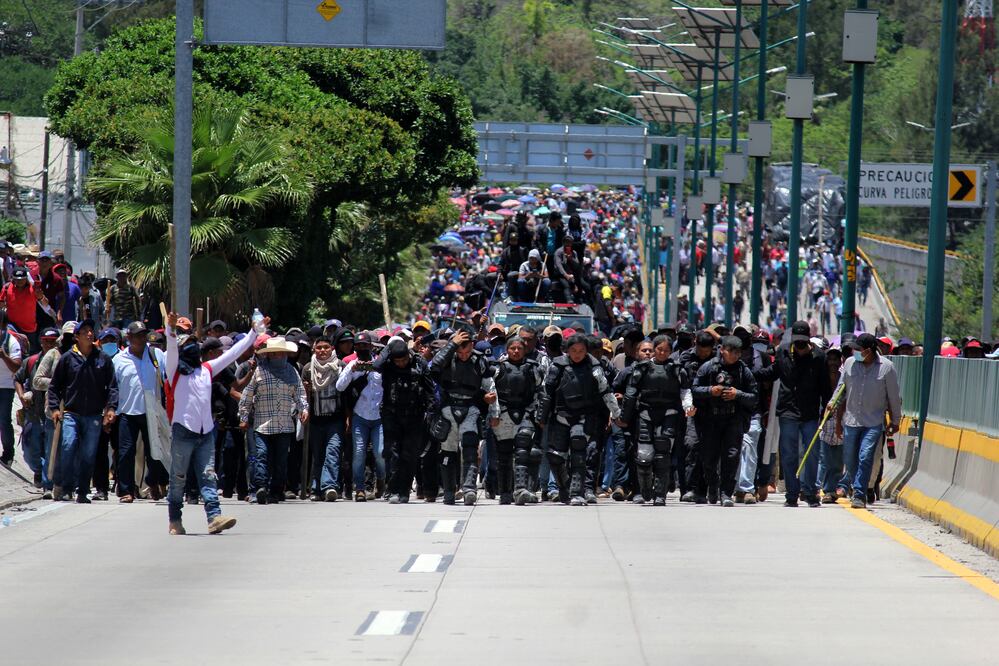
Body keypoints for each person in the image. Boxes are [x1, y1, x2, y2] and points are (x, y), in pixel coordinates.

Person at [165, 310, 259, 535]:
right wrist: (170, 330)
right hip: (183, 430)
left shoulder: (206, 370)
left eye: (193, 344)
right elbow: (170, 350)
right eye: (186, 343)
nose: (191, 347)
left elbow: (233, 353)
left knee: (208, 476)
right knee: (178, 479)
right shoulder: (174, 372)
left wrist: (254, 333)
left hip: (206, 432)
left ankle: (214, 517)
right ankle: (175, 520)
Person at [537, 333, 621, 506]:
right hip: (561, 416)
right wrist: (541, 416)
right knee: (556, 457)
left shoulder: (594, 366)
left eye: (581, 351)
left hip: (583, 417)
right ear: (567, 350)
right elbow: (547, 391)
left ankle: (577, 492)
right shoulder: (558, 365)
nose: (577, 354)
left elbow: (605, 390)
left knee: (579, 454)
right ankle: (563, 487)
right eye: (573, 350)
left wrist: (616, 413)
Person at [757, 321, 832, 508]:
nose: (799, 346)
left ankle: (809, 492)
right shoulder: (783, 352)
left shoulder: (819, 357)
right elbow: (772, 373)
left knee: (810, 453)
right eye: (796, 342)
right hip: (788, 411)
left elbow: (825, 386)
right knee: (789, 454)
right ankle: (791, 493)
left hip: (810, 412)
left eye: (802, 342)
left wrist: (827, 408)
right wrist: (749, 373)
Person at [47, 319, 118, 503]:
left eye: (90, 330)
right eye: (84, 331)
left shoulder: (103, 359)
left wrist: (111, 408)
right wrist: (55, 408)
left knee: (88, 453)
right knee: (68, 446)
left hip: (94, 414)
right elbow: (54, 386)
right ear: (76, 336)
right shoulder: (67, 359)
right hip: (71, 412)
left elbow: (112, 387)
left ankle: (83, 491)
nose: (89, 334)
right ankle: (67, 488)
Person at [620, 335, 693, 506]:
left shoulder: (677, 369)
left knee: (663, 456)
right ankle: (644, 489)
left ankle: (660, 494)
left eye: (666, 350)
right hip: (646, 413)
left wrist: (688, 406)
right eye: (659, 349)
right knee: (644, 455)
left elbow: (685, 391)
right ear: (654, 349)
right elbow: (631, 393)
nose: (663, 353)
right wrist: (624, 416)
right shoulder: (642, 368)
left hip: (669, 414)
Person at [833, 332, 901, 509]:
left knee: (865, 457)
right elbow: (841, 388)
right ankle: (856, 486)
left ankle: (859, 493)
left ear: (869, 351)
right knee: (850, 459)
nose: (855, 352)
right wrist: (832, 403)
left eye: (859, 350)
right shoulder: (849, 363)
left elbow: (894, 397)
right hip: (851, 420)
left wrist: (895, 420)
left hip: (873, 422)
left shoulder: (887, 367)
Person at [238, 336, 309, 505]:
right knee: (262, 456)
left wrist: (303, 409)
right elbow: (247, 396)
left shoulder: (292, 372)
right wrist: (243, 416)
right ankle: (261, 487)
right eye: (273, 353)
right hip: (262, 425)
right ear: (268, 355)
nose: (277, 356)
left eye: (280, 353)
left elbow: (300, 394)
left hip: (284, 425)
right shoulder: (259, 371)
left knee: (281, 460)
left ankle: (276, 491)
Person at [430, 329, 498, 505]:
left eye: (467, 352)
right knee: (448, 453)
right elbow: (434, 366)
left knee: (469, 450)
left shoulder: (479, 361)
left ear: (473, 347)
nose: (463, 356)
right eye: (460, 352)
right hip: (448, 410)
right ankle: (449, 491)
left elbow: (489, 385)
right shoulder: (447, 357)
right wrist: (452, 344)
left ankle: (469, 489)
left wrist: (488, 399)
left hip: (470, 410)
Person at [691, 336, 758, 507]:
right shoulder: (709, 367)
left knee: (732, 456)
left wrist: (738, 395)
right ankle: (712, 486)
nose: (735, 355)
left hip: (733, 419)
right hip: (711, 420)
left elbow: (754, 397)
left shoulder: (744, 371)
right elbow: (694, 389)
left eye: (738, 352)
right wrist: (710, 391)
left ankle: (726, 493)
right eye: (731, 351)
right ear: (722, 350)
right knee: (709, 459)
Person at [112, 321, 169, 503]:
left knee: (154, 453)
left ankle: (153, 484)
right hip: (127, 412)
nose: (141, 339)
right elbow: (113, 388)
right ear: (129, 338)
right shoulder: (118, 360)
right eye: (137, 335)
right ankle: (126, 490)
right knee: (126, 452)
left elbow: (167, 380)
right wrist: (109, 409)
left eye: (143, 335)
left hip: (152, 412)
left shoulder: (156, 355)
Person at [377, 338, 437, 504]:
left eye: (404, 360)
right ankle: (394, 489)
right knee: (393, 452)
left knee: (409, 455)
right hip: (392, 414)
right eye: (398, 361)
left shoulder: (420, 364)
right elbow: (375, 366)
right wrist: (388, 348)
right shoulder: (387, 364)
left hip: (414, 416)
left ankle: (403, 491)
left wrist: (430, 413)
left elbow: (429, 390)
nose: (401, 363)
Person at [491, 336, 544, 505]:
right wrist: (494, 414)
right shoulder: (498, 368)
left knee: (523, 453)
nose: (515, 351)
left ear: (524, 349)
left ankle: (520, 489)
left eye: (519, 348)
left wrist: (536, 414)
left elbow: (540, 392)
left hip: (525, 414)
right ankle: (505, 493)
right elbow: (491, 392)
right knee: (504, 456)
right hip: (503, 415)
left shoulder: (533, 368)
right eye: (512, 348)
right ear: (507, 350)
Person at [336, 331, 386, 502]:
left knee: (380, 453)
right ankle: (360, 488)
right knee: (358, 453)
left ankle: (381, 479)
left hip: (379, 417)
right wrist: (352, 370)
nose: (362, 348)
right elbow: (340, 387)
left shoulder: (380, 364)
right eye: (358, 346)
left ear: (371, 346)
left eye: (365, 345)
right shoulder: (351, 365)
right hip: (360, 417)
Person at [301, 335, 347, 502]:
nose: (322, 351)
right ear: (314, 349)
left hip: (335, 418)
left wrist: (347, 416)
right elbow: (303, 396)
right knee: (318, 454)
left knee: (333, 452)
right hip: (316, 419)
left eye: (326, 347)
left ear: (332, 349)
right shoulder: (307, 368)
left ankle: (329, 487)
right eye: (319, 347)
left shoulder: (340, 366)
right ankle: (316, 488)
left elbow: (346, 392)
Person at [14, 327, 59, 489]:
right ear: (40, 342)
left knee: (49, 449)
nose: (49, 344)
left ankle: (47, 479)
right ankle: (38, 470)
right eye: (46, 341)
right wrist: (21, 396)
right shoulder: (31, 361)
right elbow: (18, 378)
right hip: (33, 413)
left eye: (53, 341)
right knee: (30, 451)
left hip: (52, 414)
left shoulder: (62, 361)